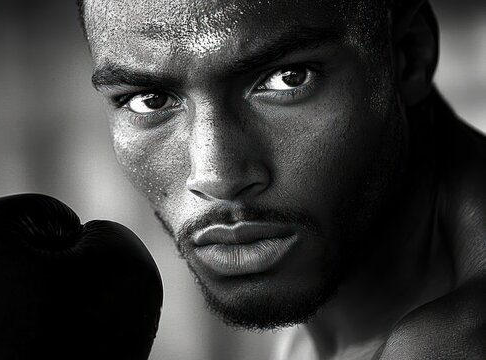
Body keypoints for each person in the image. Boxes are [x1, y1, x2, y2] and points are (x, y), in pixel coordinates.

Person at [78, 0, 486, 358]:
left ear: (407, 53)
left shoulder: (452, 342)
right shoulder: (331, 278)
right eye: (150, 100)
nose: (216, 177)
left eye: (288, 78)